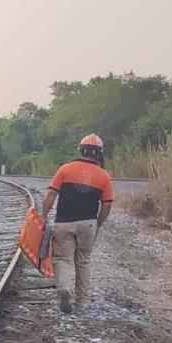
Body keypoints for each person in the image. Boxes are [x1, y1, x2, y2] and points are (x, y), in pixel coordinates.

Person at [42, 133, 114, 313]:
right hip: (88, 224)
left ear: (81, 150)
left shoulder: (65, 169)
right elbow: (107, 205)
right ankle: (82, 302)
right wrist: (98, 223)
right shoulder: (104, 176)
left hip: (64, 223)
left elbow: (51, 194)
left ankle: (64, 288)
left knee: (62, 259)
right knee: (83, 261)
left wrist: (43, 215)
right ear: (99, 153)